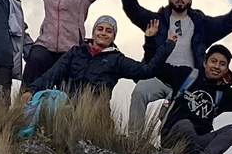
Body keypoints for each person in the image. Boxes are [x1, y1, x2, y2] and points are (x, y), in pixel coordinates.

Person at [119, 0, 232, 134]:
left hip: (187, 83)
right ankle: (134, 140)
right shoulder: (157, 20)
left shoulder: (202, 25)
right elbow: (132, 9)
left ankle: (172, 148)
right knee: (139, 92)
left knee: (175, 116)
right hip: (159, 75)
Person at [11, 0, 150, 85]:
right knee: (34, 60)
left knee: (64, 89)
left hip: (70, 49)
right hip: (45, 46)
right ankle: (23, 103)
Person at [18, 14, 162, 133]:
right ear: (93, 32)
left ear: (113, 37)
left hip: (96, 117)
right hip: (67, 109)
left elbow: (146, 71)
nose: (103, 33)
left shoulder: (116, 59)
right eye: (100, 29)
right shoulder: (76, 52)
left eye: (109, 31)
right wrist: (32, 90)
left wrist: (152, 41)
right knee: (45, 99)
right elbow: (52, 74)